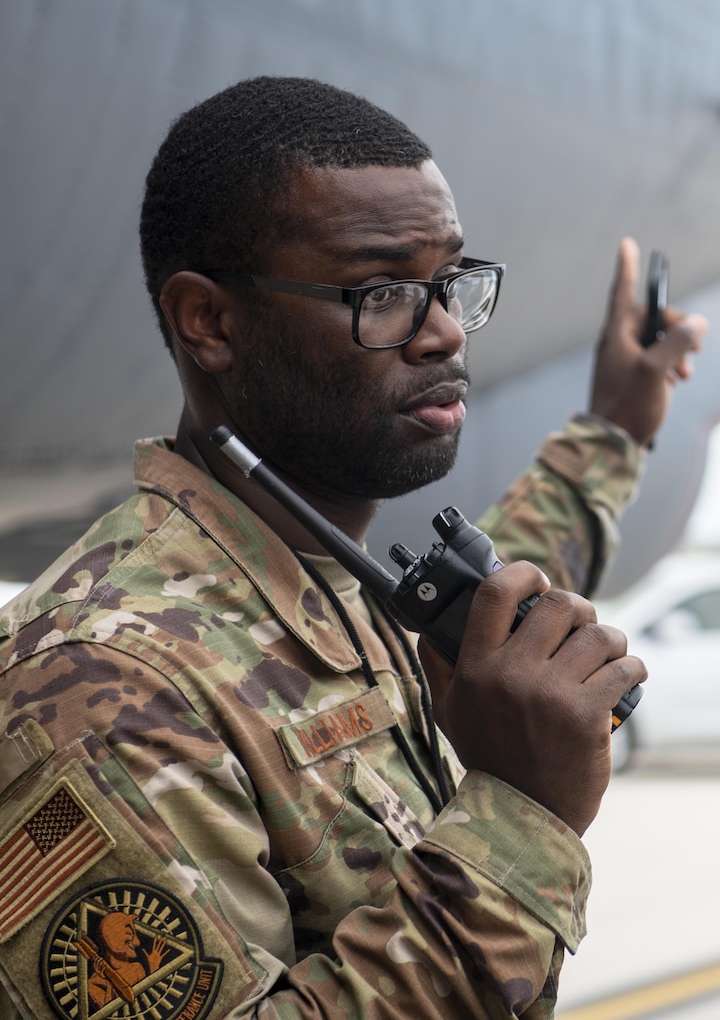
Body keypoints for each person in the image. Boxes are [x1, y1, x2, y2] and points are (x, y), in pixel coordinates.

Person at [0, 76, 706, 1020]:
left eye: (447, 283)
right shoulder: (98, 691)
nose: (445, 330)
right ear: (208, 322)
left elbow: (499, 617)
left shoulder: (324, 576)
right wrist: (520, 819)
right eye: (383, 293)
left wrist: (617, 426)